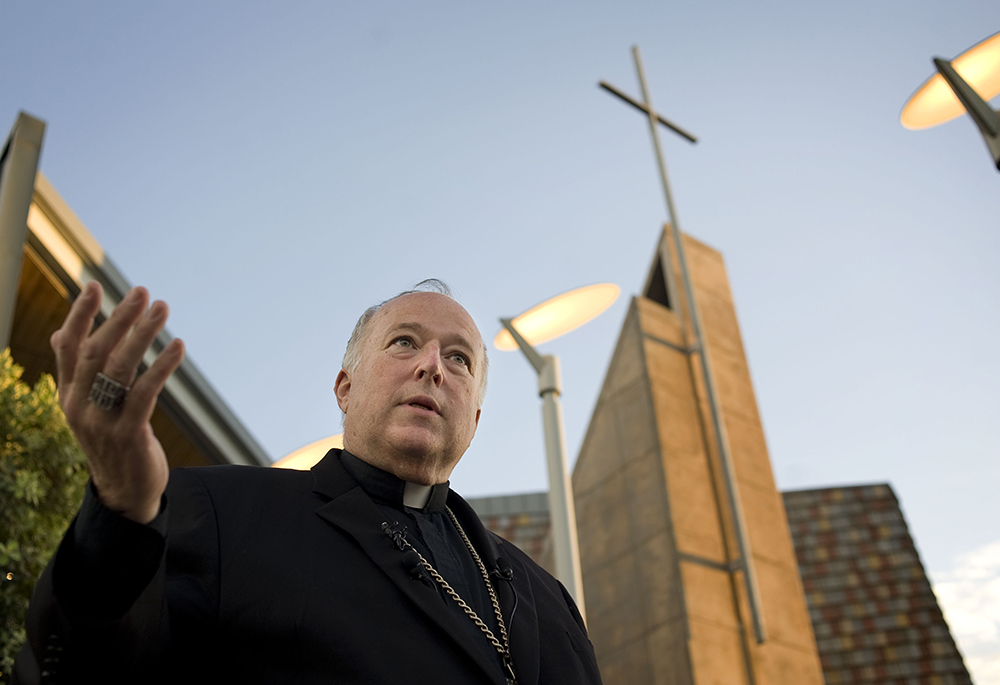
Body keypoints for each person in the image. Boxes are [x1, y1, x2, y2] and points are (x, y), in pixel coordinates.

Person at [14, 279, 603, 685]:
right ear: (345, 388)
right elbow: (78, 668)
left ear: (473, 418)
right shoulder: (221, 515)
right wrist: (119, 515)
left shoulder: (550, 600)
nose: (432, 365)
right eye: (404, 342)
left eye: (459, 359)